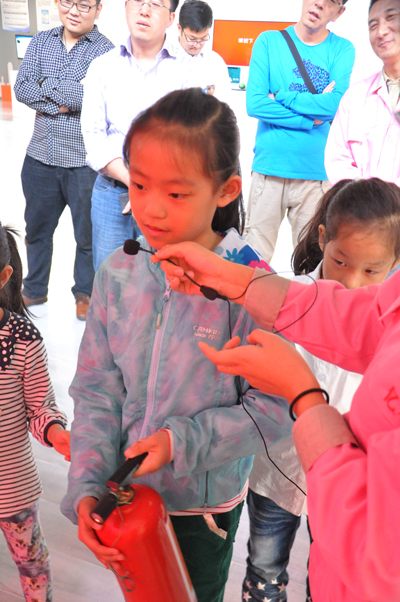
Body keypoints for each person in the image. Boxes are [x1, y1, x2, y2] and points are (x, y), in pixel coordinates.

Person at [61, 88, 294, 602]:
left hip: (201, 510)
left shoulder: (251, 289)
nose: (151, 208)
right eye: (139, 184)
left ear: (226, 190)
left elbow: (274, 411)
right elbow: (97, 390)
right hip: (124, 494)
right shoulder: (118, 271)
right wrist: (87, 486)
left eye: (176, 193)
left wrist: (179, 442)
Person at [152, 194, 400, 602]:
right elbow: (366, 319)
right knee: (267, 568)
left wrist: (303, 396)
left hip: (351, 559)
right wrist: (238, 281)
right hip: (284, 486)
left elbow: (378, 561)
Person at [242, 178, 400, 602]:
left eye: (371, 270)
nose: (351, 282)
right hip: (278, 471)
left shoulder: (386, 325)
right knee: (264, 570)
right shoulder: (288, 300)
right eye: (341, 262)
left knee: (326, 564)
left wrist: (303, 395)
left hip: (343, 486)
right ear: (323, 239)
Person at [82, 0, 204, 271]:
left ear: (171, 18)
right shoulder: (102, 67)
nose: (145, 10)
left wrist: (149, 189)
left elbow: (191, 139)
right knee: (110, 279)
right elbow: (93, 136)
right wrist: (134, 182)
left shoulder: (189, 70)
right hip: (112, 191)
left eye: (156, 4)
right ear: (126, 6)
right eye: (138, 1)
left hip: (167, 196)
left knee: (163, 279)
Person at [14, 0, 114, 321]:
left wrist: (47, 87)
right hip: (39, 157)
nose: (74, 10)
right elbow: (22, 88)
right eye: (68, 1)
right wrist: (66, 102)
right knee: (36, 231)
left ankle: (84, 293)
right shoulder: (41, 41)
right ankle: (34, 288)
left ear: (98, 9)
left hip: (85, 163)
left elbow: (95, 99)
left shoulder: (106, 52)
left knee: (86, 236)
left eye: (84, 5)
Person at [244, 0, 355, 263]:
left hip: (314, 176)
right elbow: (255, 103)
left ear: (339, 12)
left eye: (331, 1)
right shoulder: (268, 42)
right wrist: (309, 121)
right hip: (269, 169)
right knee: (252, 261)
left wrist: (282, 96)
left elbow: (334, 105)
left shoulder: (342, 49)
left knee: (312, 263)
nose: (319, 4)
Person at [0, 223, 70, 602]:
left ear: (4, 276)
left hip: (12, 486)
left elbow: (40, 408)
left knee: (32, 566)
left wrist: (58, 434)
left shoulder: (23, 340)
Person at [325, 0, 400, 185]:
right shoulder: (355, 96)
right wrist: (367, 197)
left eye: (391, 17)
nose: (381, 32)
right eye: (373, 25)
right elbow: (337, 159)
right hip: (360, 203)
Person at [175, 0, 231, 102]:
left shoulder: (215, 61)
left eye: (203, 38)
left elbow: (225, 102)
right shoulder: (163, 57)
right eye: (192, 39)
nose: (197, 45)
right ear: (179, 28)